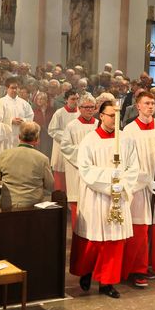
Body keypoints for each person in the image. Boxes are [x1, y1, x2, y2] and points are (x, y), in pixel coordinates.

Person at [70, 99, 142, 298]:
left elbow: (133, 167)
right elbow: (85, 169)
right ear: (101, 116)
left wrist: (122, 184)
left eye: (117, 115)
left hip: (118, 197)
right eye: (111, 115)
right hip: (96, 197)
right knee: (94, 240)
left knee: (114, 241)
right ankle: (86, 272)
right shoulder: (89, 140)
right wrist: (111, 178)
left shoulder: (126, 140)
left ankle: (107, 282)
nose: (114, 119)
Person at [120, 91, 155, 287]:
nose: (150, 106)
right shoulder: (129, 130)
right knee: (139, 227)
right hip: (138, 184)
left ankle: (152, 264)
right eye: (146, 103)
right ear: (138, 106)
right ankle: (135, 269)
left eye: (153, 103)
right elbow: (125, 161)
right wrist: (142, 180)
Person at [59, 94, 97, 228]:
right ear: (80, 108)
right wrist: (84, 153)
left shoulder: (99, 125)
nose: (89, 110)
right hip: (76, 170)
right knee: (77, 203)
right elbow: (65, 147)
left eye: (92, 107)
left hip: (94, 169)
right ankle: (77, 235)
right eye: (86, 107)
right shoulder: (71, 126)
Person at [0, 121, 55, 210]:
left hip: (7, 205)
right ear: (37, 139)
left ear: (19, 137)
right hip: (32, 206)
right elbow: (49, 185)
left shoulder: (4, 155)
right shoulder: (42, 159)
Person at [47, 90, 80, 192]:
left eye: (77, 99)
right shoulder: (59, 113)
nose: (75, 101)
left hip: (75, 149)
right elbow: (52, 130)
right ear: (66, 100)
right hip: (61, 150)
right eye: (73, 99)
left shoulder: (80, 113)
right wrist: (67, 137)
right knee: (61, 181)